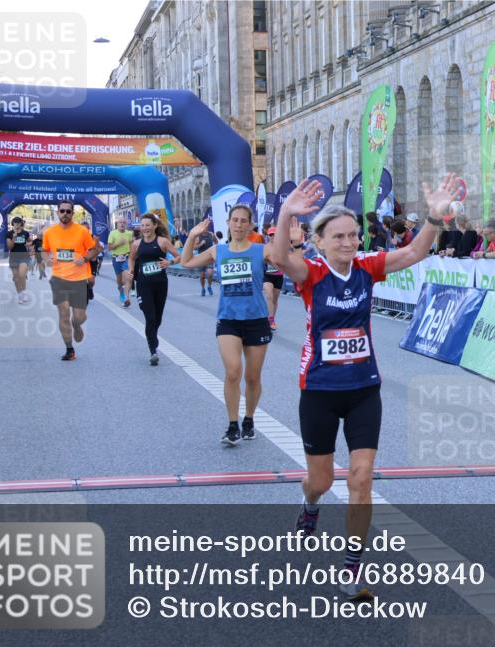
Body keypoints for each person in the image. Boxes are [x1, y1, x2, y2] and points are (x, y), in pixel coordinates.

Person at [270, 174, 457, 601]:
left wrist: (434, 216)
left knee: (361, 478)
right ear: (319, 241)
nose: (349, 242)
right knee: (319, 480)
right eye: (338, 236)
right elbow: (280, 257)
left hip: (363, 389)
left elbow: (414, 251)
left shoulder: (367, 268)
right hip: (319, 390)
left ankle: (352, 568)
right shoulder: (312, 273)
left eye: (353, 235)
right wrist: (285, 214)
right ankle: (310, 506)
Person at [181, 204, 272, 446]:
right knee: (233, 372)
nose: (239, 224)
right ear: (228, 223)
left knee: (252, 377)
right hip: (228, 320)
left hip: (256, 320)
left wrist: (294, 244)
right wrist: (192, 236)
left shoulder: (262, 250)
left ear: (250, 225)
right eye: (235, 220)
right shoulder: (217, 251)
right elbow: (186, 262)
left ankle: (248, 419)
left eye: (244, 221)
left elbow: (289, 262)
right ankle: (233, 425)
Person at [42, 201, 99, 360]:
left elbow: (94, 250)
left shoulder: (82, 231)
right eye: (62, 211)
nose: (65, 214)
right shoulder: (49, 232)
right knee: (63, 314)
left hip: (79, 279)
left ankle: (77, 325)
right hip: (59, 279)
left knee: (79, 317)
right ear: (57, 212)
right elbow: (44, 250)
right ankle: (69, 349)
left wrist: (85, 258)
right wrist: (47, 259)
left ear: (72, 213)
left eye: (68, 211)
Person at [127, 212, 181, 365]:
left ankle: (153, 337)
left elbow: (179, 256)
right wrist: (131, 269)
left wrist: (169, 263)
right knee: (150, 317)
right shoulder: (137, 244)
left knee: (157, 319)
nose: (145, 228)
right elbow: (131, 258)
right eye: (142, 225)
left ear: (155, 226)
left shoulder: (163, 242)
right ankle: (153, 350)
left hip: (160, 284)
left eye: (148, 225)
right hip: (143, 284)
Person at [108, 218, 135, 307]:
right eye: (120, 222)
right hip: (116, 259)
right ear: (117, 224)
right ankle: (121, 290)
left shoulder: (129, 233)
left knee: (128, 278)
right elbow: (109, 248)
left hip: (126, 258)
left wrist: (132, 256)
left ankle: (127, 298)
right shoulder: (113, 233)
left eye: (124, 222)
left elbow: (132, 245)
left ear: (126, 224)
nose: (122, 224)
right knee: (120, 281)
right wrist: (118, 243)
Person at [5, 217, 33, 303]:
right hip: (13, 257)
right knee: (16, 278)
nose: (17, 224)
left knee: (21, 275)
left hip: (24, 257)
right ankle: (20, 294)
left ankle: (24, 292)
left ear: (21, 224)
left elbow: (31, 242)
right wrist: (14, 238)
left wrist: (28, 244)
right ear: (12, 224)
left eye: (18, 222)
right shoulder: (9, 234)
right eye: (15, 222)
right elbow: (9, 247)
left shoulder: (25, 233)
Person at [263, 225, 285, 330]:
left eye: (274, 234)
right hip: (267, 275)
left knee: (275, 300)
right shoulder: (265, 247)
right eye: (271, 235)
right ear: (268, 236)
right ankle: (271, 320)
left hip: (278, 276)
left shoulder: (281, 247)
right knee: (269, 296)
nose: (272, 236)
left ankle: (271, 318)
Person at [192, 221, 217, 296]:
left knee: (210, 273)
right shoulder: (198, 237)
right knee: (202, 275)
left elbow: (216, 242)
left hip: (209, 257)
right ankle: (203, 288)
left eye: (207, 226)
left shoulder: (211, 234)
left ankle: (209, 286)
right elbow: (194, 247)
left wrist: (214, 248)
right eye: (204, 227)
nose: (206, 228)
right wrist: (200, 244)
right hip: (201, 258)